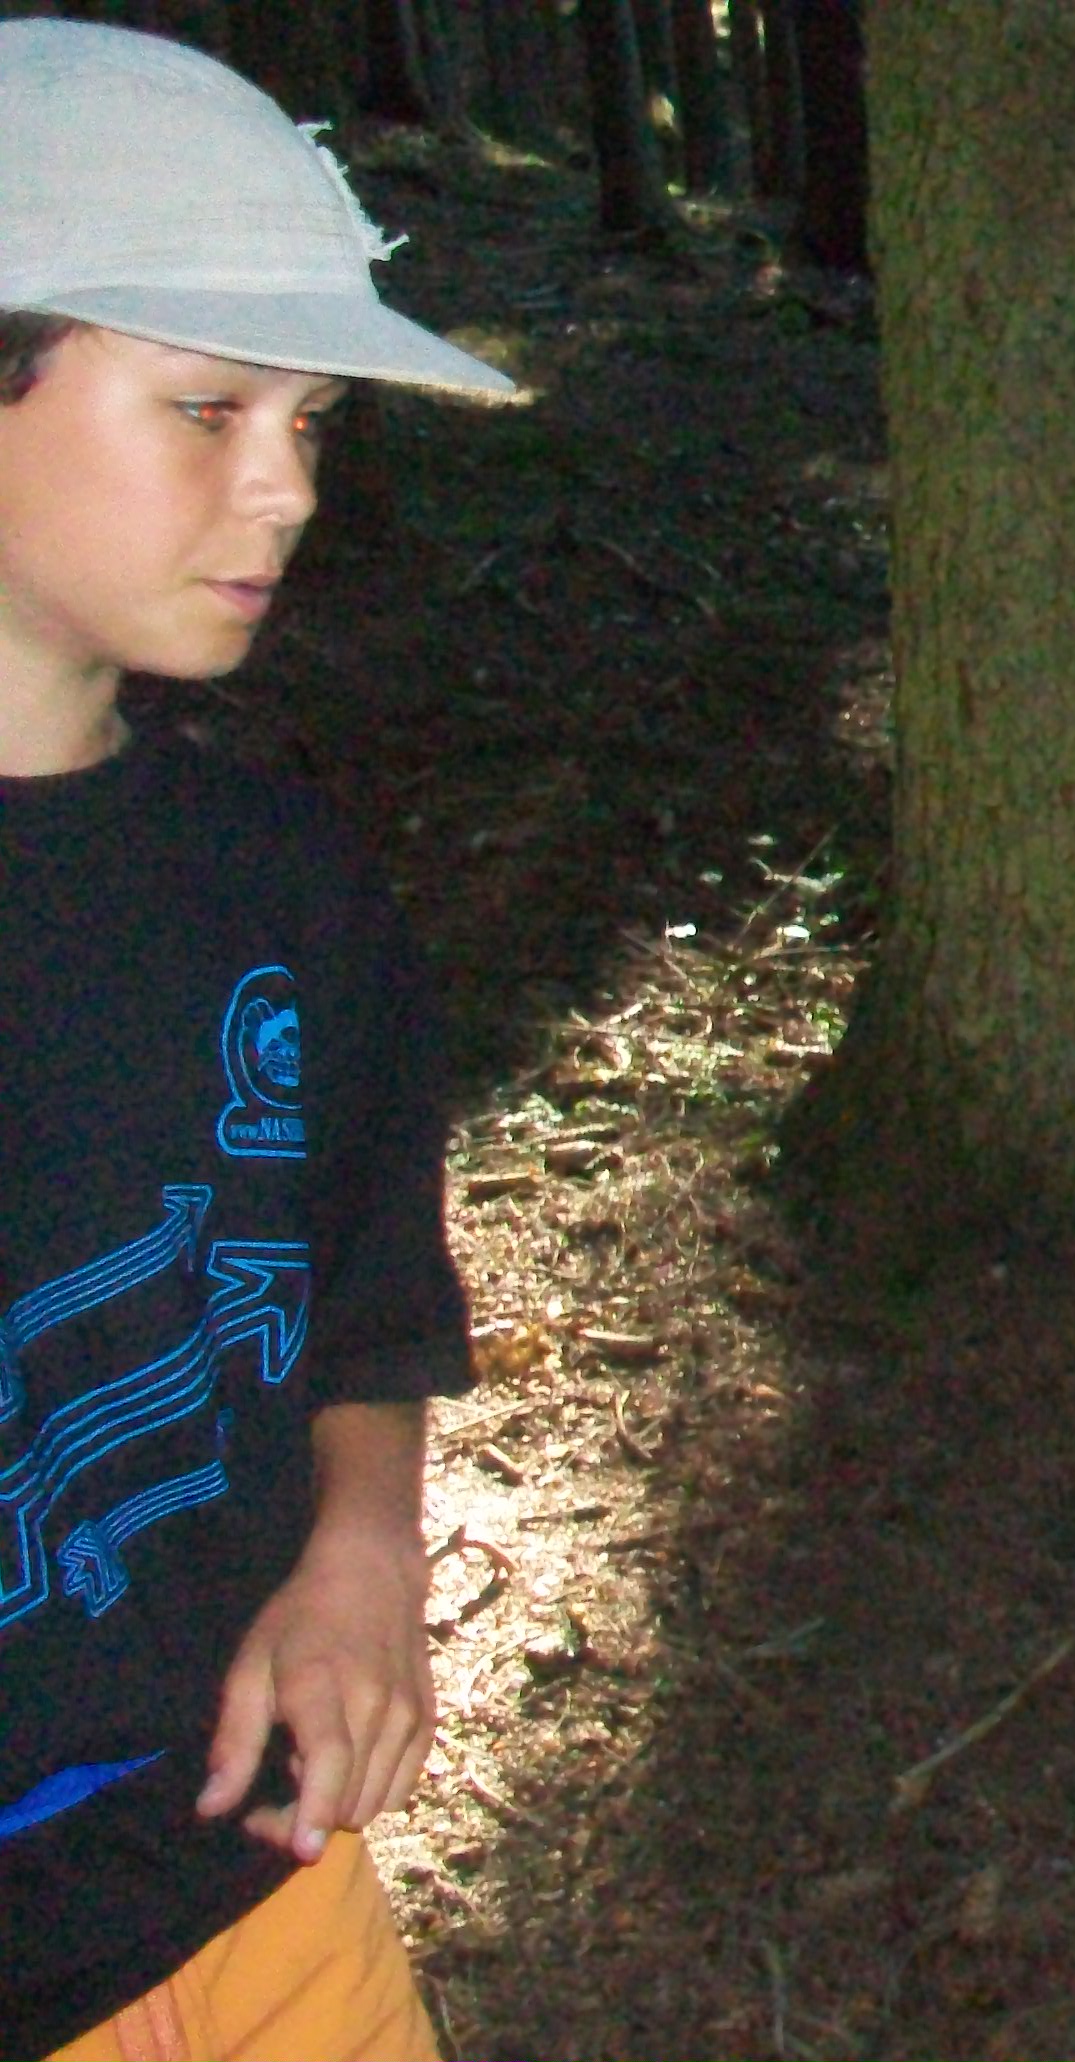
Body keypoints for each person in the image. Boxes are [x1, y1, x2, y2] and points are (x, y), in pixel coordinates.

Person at [0, 23, 513, 2062]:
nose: (287, 485)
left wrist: (363, 1544)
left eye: (310, 419)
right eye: (208, 406)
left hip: (257, 1878)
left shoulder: (277, 882)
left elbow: (362, 1291)